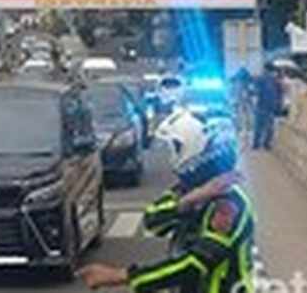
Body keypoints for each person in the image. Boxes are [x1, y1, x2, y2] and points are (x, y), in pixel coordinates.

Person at [78, 110, 255, 293]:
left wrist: (121, 276)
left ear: (196, 147)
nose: (173, 156)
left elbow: (194, 265)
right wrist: (189, 200)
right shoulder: (190, 189)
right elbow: (153, 221)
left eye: (177, 147)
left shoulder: (228, 203)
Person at [252, 65, 282, 150]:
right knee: (269, 127)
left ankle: (257, 144)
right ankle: (265, 144)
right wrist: (278, 107)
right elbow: (279, 95)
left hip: (262, 106)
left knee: (259, 126)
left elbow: (255, 91)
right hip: (269, 107)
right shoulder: (275, 81)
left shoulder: (261, 79)